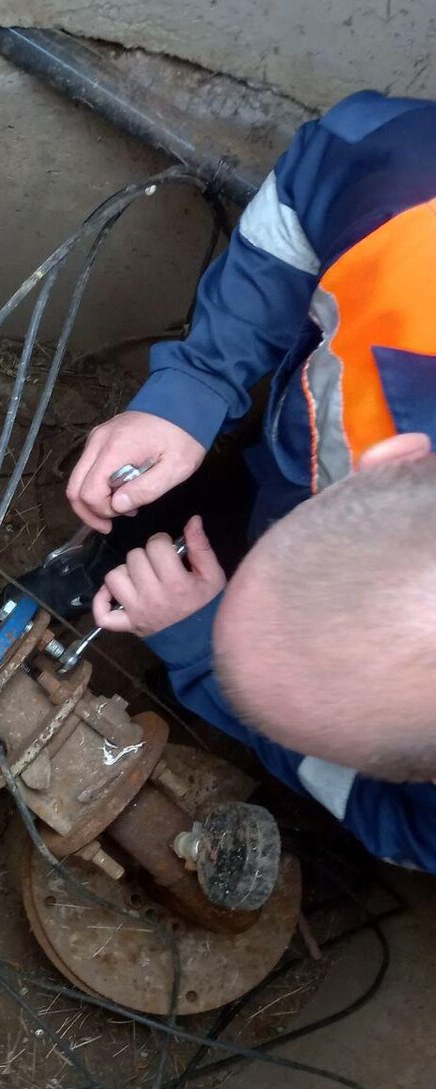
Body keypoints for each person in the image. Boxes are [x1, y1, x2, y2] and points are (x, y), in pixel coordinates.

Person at [64, 90, 436, 870]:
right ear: (393, 462)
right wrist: (196, 387)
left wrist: (196, 649)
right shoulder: (412, 215)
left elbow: (409, 829)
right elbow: (307, 186)